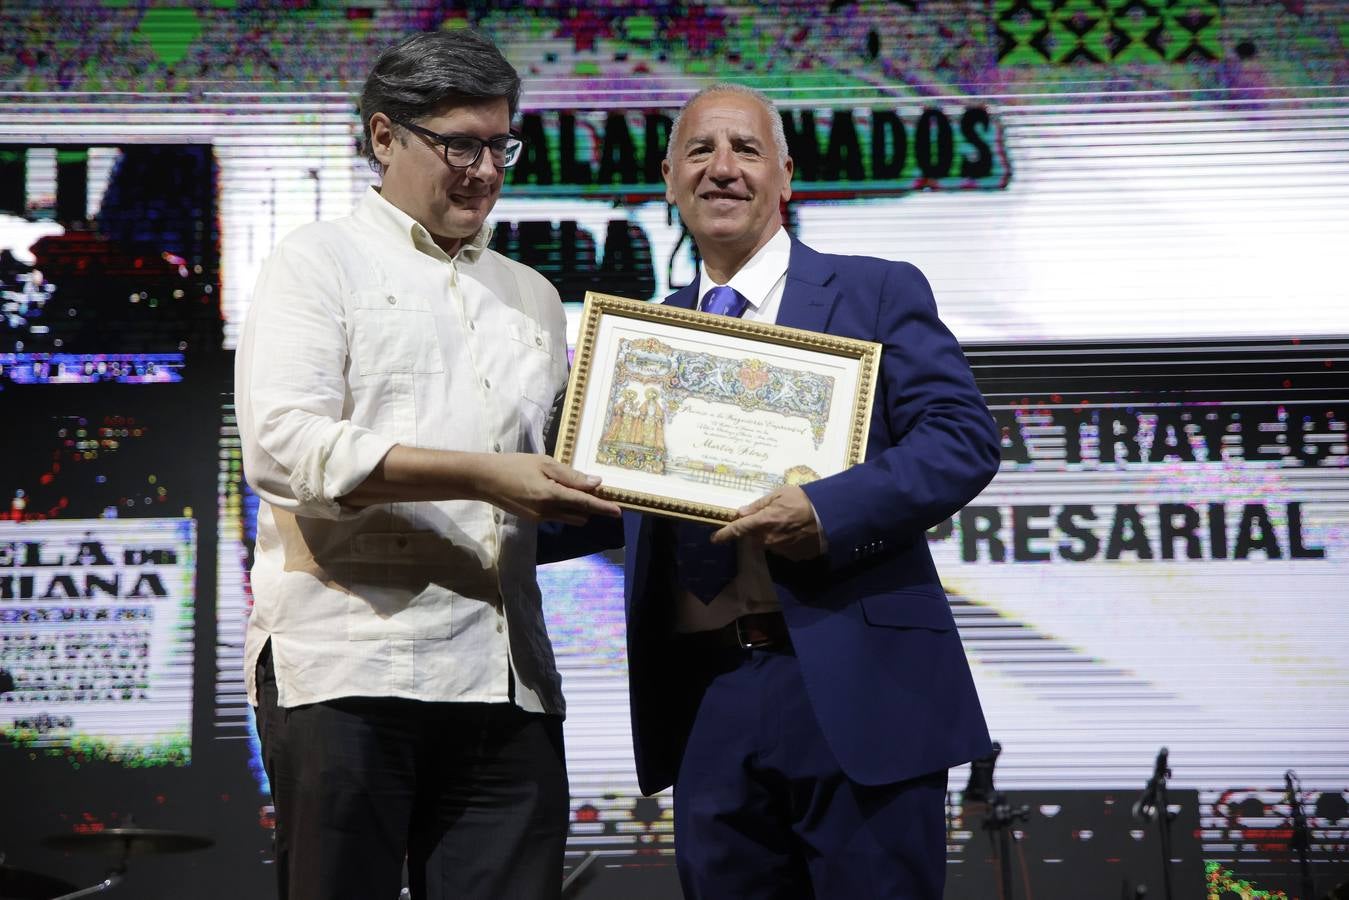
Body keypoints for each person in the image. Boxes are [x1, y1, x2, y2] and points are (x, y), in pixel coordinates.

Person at [550, 83, 1001, 899]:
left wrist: (825, 510)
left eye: (745, 151)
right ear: (667, 179)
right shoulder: (636, 343)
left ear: (786, 177)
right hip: (706, 695)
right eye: (699, 152)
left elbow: (959, 440)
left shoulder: (875, 291)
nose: (721, 169)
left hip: (858, 684)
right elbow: (595, 496)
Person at [234, 30, 619, 900]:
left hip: (506, 679)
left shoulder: (531, 296)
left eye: (499, 145)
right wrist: (486, 474)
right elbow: (284, 447)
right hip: (349, 669)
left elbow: (546, 480)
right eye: (459, 144)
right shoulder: (315, 262)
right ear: (383, 137)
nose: (484, 169)